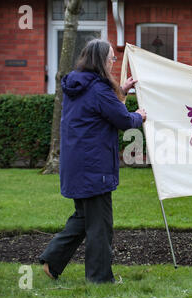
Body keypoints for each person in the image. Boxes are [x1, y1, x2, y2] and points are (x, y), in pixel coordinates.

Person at [39, 39, 146, 283]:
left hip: (78, 165)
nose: (113, 61)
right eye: (111, 58)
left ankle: (52, 262)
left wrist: (122, 91)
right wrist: (140, 115)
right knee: (100, 226)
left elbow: (104, 111)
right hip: (94, 168)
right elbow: (123, 120)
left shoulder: (79, 85)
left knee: (84, 218)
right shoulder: (98, 89)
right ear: (100, 61)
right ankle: (99, 280)